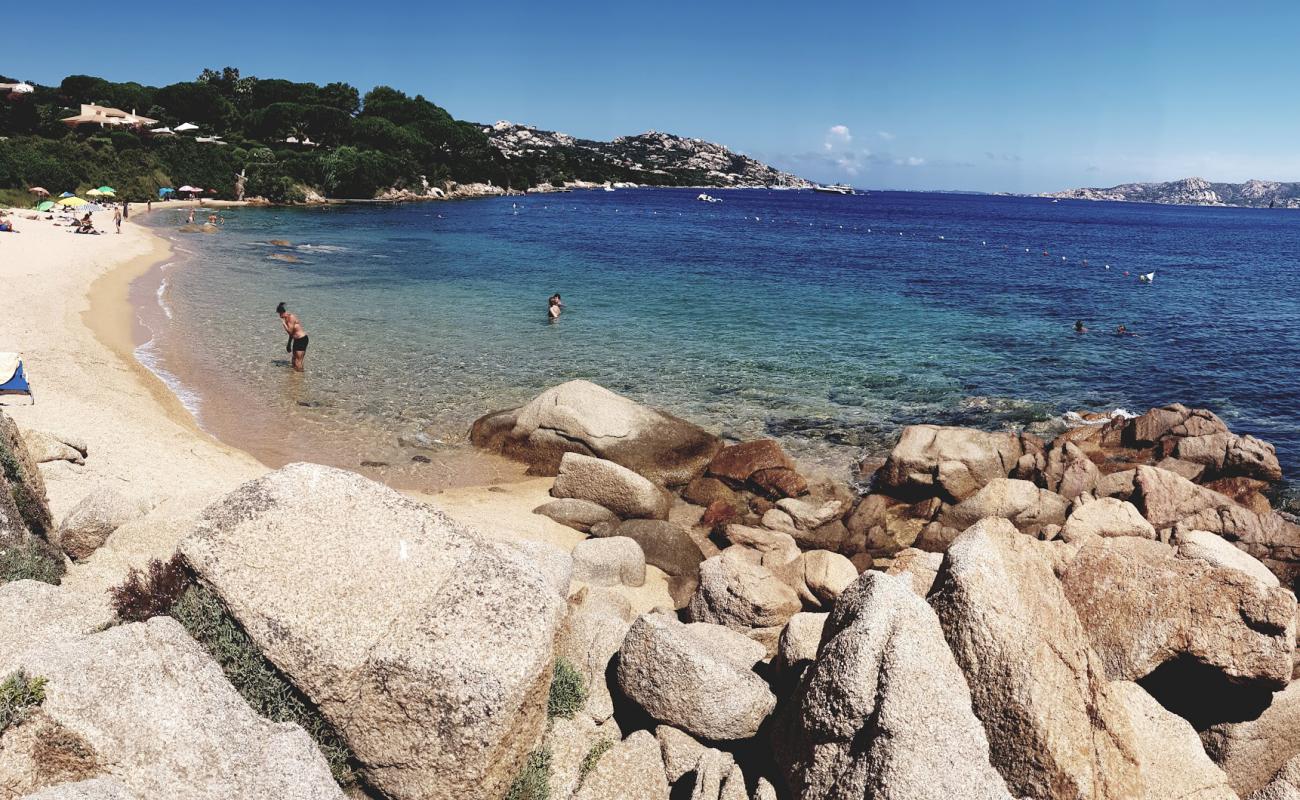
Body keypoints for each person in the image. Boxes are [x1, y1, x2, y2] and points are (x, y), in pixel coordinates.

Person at [277, 302, 309, 371]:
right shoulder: (286, 319)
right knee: (294, 360)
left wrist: (284, 325)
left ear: (283, 312)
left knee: (298, 361)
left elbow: (290, 331)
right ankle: (294, 378)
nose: (279, 316)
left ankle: (299, 378)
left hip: (302, 339)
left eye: (280, 314)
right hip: (296, 340)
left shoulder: (291, 317)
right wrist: (289, 344)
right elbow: (291, 334)